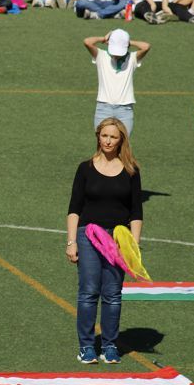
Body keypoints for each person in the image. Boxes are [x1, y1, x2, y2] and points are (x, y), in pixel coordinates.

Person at [66, 117, 143, 365]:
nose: (108, 141)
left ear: (121, 140)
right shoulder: (85, 168)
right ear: (98, 137)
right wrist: (71, 242)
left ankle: (109, 345)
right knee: (89, 291)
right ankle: (87, 346)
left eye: (113, 137)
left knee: (113, 293)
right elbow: (74, 208)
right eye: (104, 136)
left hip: (118, 238)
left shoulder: (131, 171)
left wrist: (133, 245)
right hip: (88, 235)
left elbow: (136, 212)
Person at [83, 30, 150, 136]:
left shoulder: (132, 58)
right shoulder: (101, 56)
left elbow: (146, 47)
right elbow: (87, 42)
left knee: (123, 146)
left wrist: (128, 42)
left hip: (125, 109)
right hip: (103, 108)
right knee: (102, 145)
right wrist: (104, 38)